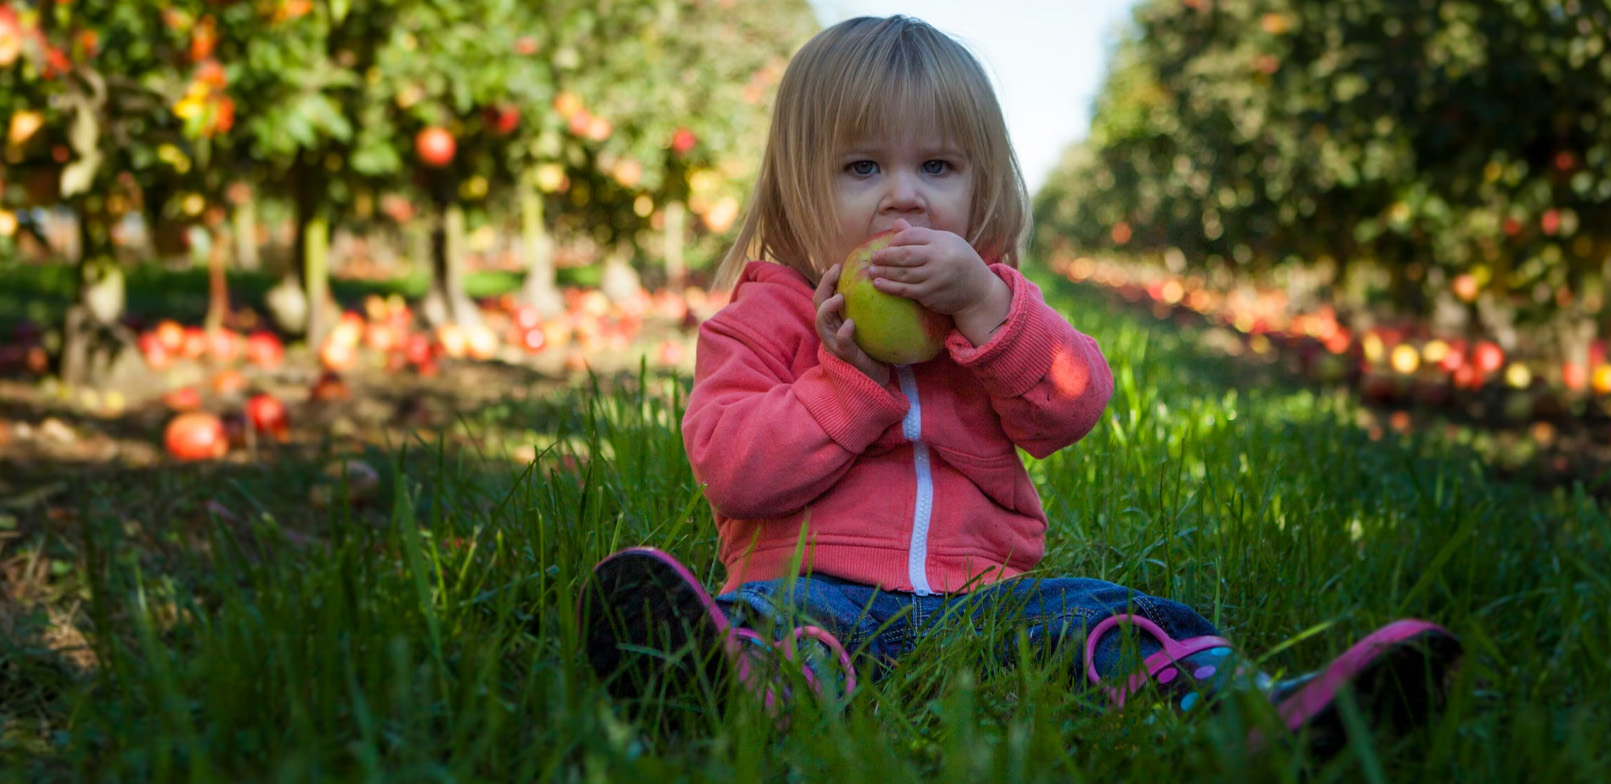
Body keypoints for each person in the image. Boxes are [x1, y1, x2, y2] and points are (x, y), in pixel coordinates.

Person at [577, 14, 1460, 756]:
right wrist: (848, 384)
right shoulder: (759, 323)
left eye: (937, 168)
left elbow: (1073, 406)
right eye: (861, 169)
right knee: (775, 626)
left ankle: (1262, 711)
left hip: (985, 595)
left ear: (980, 184)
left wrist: (989, 311)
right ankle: (726, 684)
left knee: (1112, 618)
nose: (904, 200)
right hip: (813, 582)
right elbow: (733, 470)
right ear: (795, 185)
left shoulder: (993, 307)